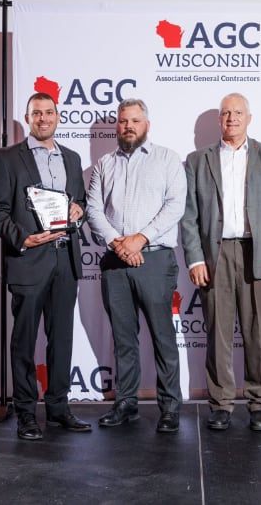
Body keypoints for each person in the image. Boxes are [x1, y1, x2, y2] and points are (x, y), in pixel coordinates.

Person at [181, 93, 261, 432]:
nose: (231, 118)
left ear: (249, 117)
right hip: (215, 255)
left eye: (238, 112)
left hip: (255, 252)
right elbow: (189, 217)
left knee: (257, 331)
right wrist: (195, 258)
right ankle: (221, 404)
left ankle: (259, 403)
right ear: (219, 120)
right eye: (226, 113)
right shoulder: (197, 160)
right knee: (218, 332)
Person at [0, 92, 91, 440]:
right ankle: (27, 412)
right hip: (28, 258)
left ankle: (59, 408)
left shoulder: (72, 159)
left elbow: (79, 201)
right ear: (27, 118)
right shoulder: (7, 158)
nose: (43, 118)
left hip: (65, 258)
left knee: (61, 338)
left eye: (49, 112)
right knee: (24, 339)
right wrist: (22, 238)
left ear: (58, 116)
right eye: (36, 113)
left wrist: (79, 210)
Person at [87, 98, 186, 433]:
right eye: (123, 121)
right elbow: (94, 211)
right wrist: (119, 243)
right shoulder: (104, 164)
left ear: (147, 124)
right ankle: (126, 403)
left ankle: (170, 406)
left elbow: (175, 206)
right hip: (116, 260)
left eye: (135, 121)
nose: (128, 126)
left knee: (162, 335)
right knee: (123, 337)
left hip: (155, 258)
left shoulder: (167, 159)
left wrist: (139, 239)